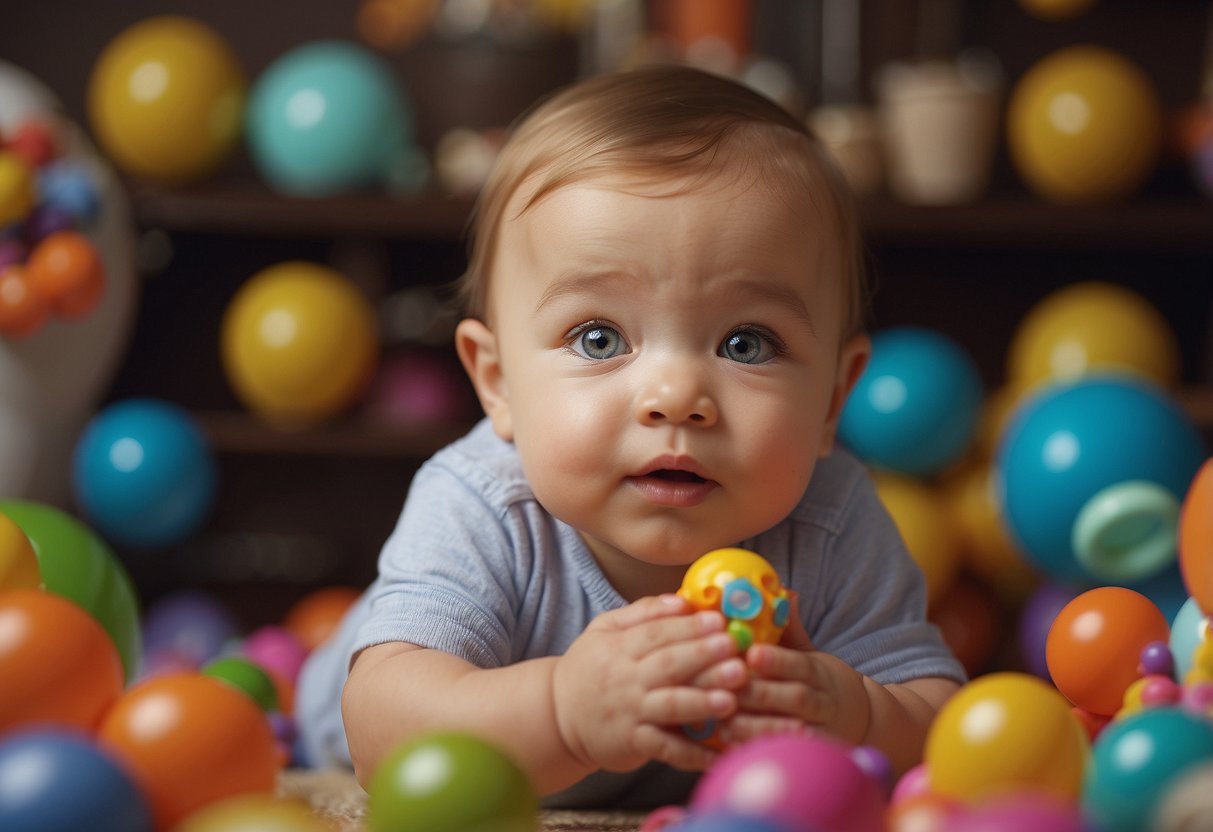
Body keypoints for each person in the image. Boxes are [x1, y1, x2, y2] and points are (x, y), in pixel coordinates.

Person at [296, 63, 965, 808]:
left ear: (832, 400)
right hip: (332, 711)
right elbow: (380, 739)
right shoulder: (482, 502)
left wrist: (856, 713)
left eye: (745, 343)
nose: (676, 398)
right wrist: (564, 713)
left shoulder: (833, 520)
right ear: (497, 383)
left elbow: (944, 729)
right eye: (597, 338)